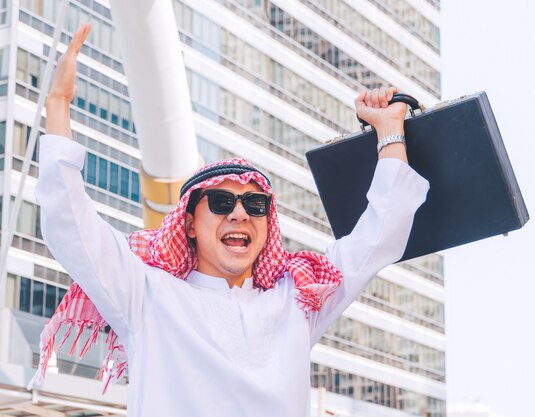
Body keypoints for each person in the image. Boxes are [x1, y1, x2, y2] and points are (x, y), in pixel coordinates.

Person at [32, 24, 430, 416]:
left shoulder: (298, 300)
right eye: (222, 202)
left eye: (255, 206)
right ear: (189, 223)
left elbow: (379, 235)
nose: (240, 213)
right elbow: (69, 223)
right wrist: (58, 104)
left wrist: (390, 130)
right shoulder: (149, 296)